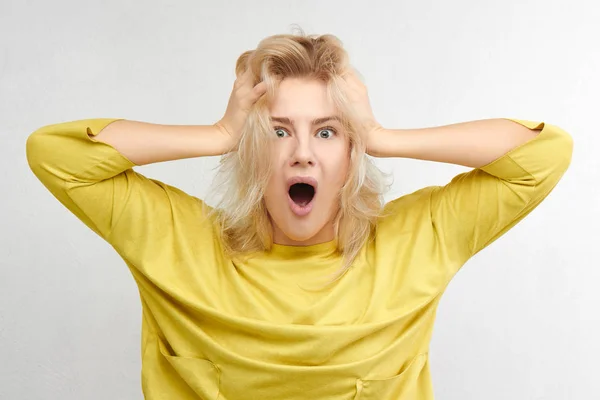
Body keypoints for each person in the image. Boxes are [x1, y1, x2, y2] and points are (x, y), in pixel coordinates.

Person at [26, 32, 573, 400]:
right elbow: (55, 153)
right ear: (250, 148)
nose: (303, 154)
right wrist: (219, 133)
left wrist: (381, 136)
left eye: (328, 131)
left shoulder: (417, 239)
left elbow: (541, 155)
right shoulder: (177, 239)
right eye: (278, 131)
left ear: (351, 153)